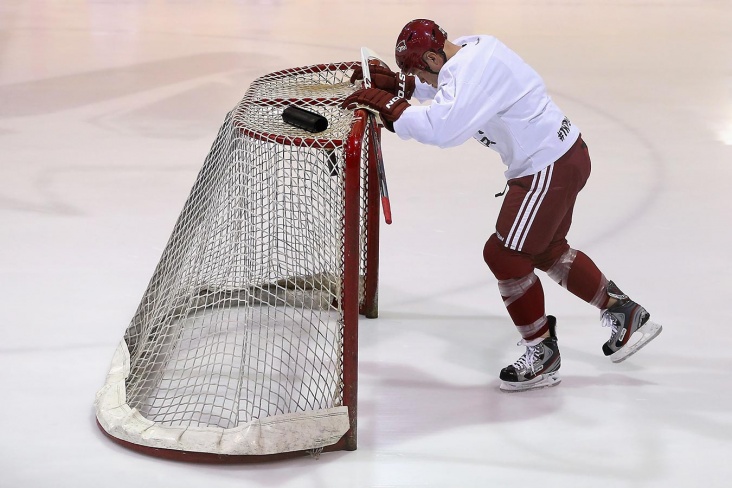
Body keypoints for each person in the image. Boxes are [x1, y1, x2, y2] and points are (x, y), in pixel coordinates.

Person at [342, 19, 662, 392]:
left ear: (432, 56)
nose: (423, 80)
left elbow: (442, 129)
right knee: (545, 250)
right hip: (564, 155)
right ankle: (624, 311)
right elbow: (451, 93)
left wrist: (393, 106)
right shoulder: (469, 50)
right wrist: (406, 85)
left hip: (546, 167)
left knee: (505, 255)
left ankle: (541, 351)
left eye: (418, 70)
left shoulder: (471, 73)